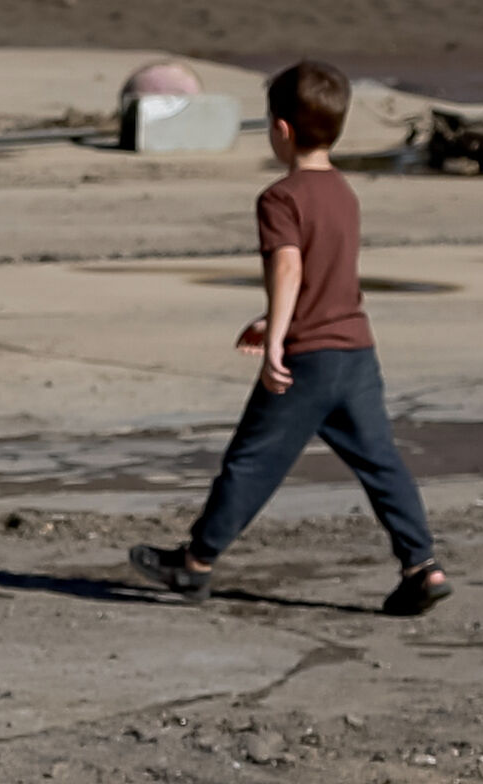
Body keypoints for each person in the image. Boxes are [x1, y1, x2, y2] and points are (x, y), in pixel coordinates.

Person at [127, 57, 451, 615]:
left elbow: (291, 267)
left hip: (308, 357)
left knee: (251, 461)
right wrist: (273, 318)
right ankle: (423, 565)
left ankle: (196, 564)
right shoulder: (344, 193)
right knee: (381, 462)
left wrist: (277, 338)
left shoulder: (281, 198)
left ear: (280, 129)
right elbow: (326, 275)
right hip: (356, 350)